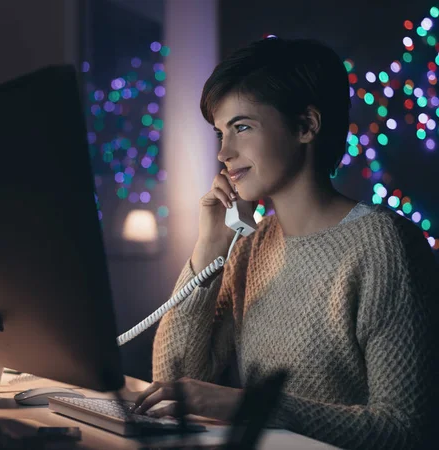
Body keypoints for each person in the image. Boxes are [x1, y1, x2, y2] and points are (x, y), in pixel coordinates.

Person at [131, 37, 438, 449]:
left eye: (242, 127)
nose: (224, 152)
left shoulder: (385, 246)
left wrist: (253, 406)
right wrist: (208, 251)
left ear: (306, 126)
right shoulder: (248, 248)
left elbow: (404, 428)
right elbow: (173, 383)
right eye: (220, 132)